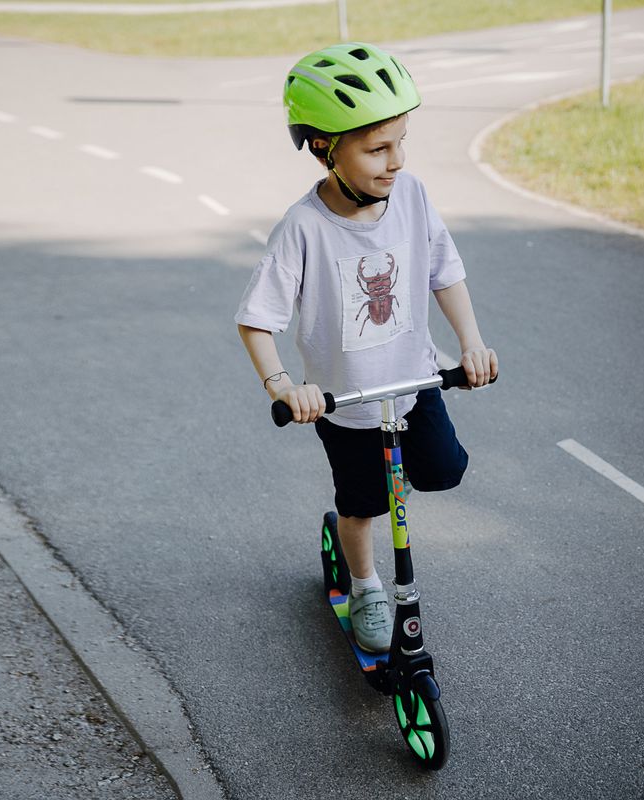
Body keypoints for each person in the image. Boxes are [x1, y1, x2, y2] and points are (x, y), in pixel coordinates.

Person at [235, 42, 498, 654]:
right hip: (347, 404)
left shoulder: (411, 197)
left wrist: (471, 341)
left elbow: (444, 270)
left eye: (401, 142)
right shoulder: (303, 229)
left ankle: (388, 499)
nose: (395, 161)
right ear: (326, 149)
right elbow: (256, 321)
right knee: (363, 506)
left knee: (443, 469)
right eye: (378, 148)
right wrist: (284, 387)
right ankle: (366, 584)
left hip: (414, 383)